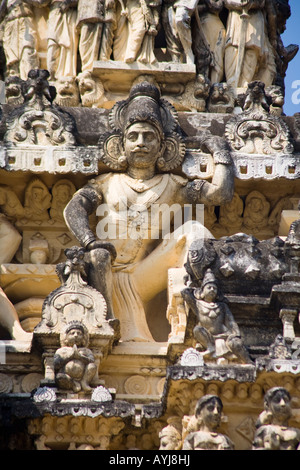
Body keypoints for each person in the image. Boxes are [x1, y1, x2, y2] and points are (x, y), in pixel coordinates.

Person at [64, 82, 234, 342]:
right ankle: (107, 321)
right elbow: (74, 208)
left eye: (149, 136)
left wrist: (221, 154)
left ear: (164, 146)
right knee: (98, 255)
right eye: (133, 137)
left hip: (141, 276)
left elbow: (220, 194)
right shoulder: (105, 183)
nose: (140, 143)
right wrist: (89, 241)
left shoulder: (173, 186)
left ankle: (203, 304)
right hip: (105, 274)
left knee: (194, 230)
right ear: (120, 146)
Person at [181, 268, 252, 363]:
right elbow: (184, 293)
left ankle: (247, 361)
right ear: (202, 290)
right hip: (208, 337)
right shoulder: (197, 305)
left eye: (214, 288)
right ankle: (211, 348)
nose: (212, 290)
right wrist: (192, 287)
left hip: (224, 336)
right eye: (209, 287)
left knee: (236, 344)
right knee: (197, 329)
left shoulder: (222, 306)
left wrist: (235, 334)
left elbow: (231, 322)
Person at [224, 0, 276, 88]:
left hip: (254, 18)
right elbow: (226, 2)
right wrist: (240, 5)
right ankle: (231, 83)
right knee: (232, 48)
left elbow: (262, 3)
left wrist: (252, 3)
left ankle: (245, 83)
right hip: (236, 17)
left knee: (252, 48)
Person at [0, 0, 40, 79]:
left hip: (26, 22)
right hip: (11, 25)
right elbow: (1, 14)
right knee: (12, 58)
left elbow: (41, 3)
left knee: (28, 49)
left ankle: (29, 78)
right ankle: (14, 80)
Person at [54, 321, 97, 393]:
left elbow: (92, 360)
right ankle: (73, 384)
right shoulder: (62, 351)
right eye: (72, 333)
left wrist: (80, 357)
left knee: (92, 366)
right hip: (67, 376)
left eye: (79, 333)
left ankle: (84, 382)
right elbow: (56, 364)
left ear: (83, 338)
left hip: (82, 375)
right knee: (59, 377)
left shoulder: (86, 351)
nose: (76, 335)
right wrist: (69, 357)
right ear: (66, 337)